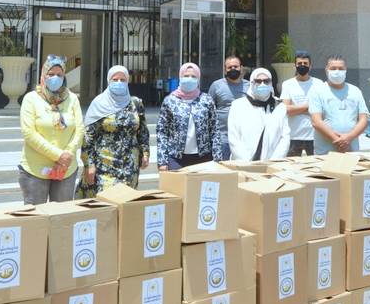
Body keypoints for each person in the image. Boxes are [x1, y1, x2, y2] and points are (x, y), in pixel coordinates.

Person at [19, 55, 84, 204]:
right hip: (36, 169)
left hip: (66, 169)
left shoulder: (72, 98)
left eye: (59, 75)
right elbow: (29, 133)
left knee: (62, 214)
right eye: (51, 74)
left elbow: (79, 129)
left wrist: (67, 154)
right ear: (43, 75)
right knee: (36, 215)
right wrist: (59, 155)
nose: (55, 78)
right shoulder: (31, 98)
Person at [76, 65, 150, 197]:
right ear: (108, 81)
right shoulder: (99, 103)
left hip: (130, 166)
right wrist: (89, 164)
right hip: (105, 165)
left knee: (127, 201)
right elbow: (88, 138)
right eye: (115, 80)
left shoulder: (135, 103)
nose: (119, 83)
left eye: (123, 80)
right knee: (107, 201)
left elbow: (142, 132)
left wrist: (145, 153)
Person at [157, 62, 221, 170]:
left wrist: (217, 158)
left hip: (204, 158)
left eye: (193, 76)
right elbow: (162, 131)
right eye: (186, 76)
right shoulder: (170, 101)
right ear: (180, 77)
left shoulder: (206, 100)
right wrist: (162, 160)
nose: (189, 79)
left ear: (198, 79)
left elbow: (215, 130)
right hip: (176, 158)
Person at [309, 55, 369, 154]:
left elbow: (364, 120)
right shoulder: (317, 91)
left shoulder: (355, 91)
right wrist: (338, 141)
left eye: (341, 68)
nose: (337, 71)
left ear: (346, 70)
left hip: (351, 151)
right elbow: (316, 121)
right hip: (325, 153)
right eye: (333, 68)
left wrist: (348, 138)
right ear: (326, 70)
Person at [228, 67, 290, 160]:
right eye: (258, 81)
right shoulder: (238, 106)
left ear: (271, 83)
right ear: (252, 83)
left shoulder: (279, 106)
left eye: (266, 81)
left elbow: (285, 137)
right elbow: (234, 138)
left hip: (272, 164)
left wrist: (274, 161)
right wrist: (246, 162)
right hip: (242, 163)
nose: (262, 84)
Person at [281, 51, 324, 156]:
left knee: (316, 165)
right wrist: (310, 107)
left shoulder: (319, 84)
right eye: (299, 63)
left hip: (314, 136)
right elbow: (286, 110)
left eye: (305, 63)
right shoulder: (287, 84)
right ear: (294, 66)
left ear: (310, 66)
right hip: (293, 136)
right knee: (291, 165)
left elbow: (322, 110)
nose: (302, 66)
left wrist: (295, 109)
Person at [208, 55, 247, 160]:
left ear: (241, 68)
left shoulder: (249, 86)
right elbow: (209, 110)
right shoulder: (216, 86)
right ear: (225, 70)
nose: (233, 69)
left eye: (236, 66)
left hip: (243, 138)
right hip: (223, 138)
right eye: (229, 67)